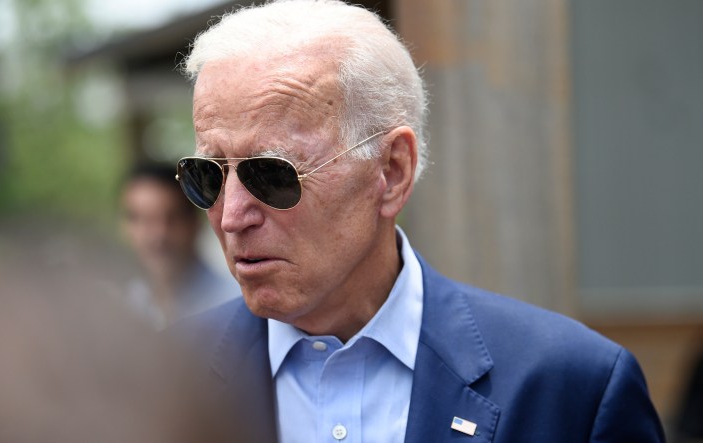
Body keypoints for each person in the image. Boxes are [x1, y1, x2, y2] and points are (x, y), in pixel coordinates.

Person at [172, 1, 665, 442]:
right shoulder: (159, 380)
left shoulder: (570, 387)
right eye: (207, 176)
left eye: (271, 174)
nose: (231, 216)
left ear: (391, 171)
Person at [120, 162, 238, 329]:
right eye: (145, 220)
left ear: (195, 222)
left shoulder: (235, 306)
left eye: (172, 218)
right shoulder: (127, 306)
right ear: (126, 227)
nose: (159, 235)